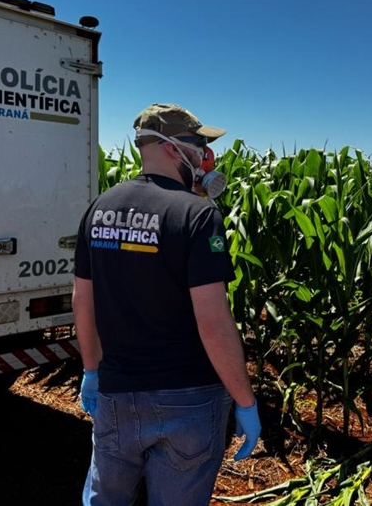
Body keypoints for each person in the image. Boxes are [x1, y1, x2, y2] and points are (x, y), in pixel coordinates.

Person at [72, 103, 261, 506]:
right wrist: (245, 401)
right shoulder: (197, 215)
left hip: (116, 392)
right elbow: (213, 321)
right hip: (187, 400)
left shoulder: (99, 208)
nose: (206, 157)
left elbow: (82, 301)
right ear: (175, 148)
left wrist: (91, 370)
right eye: (201, 145)